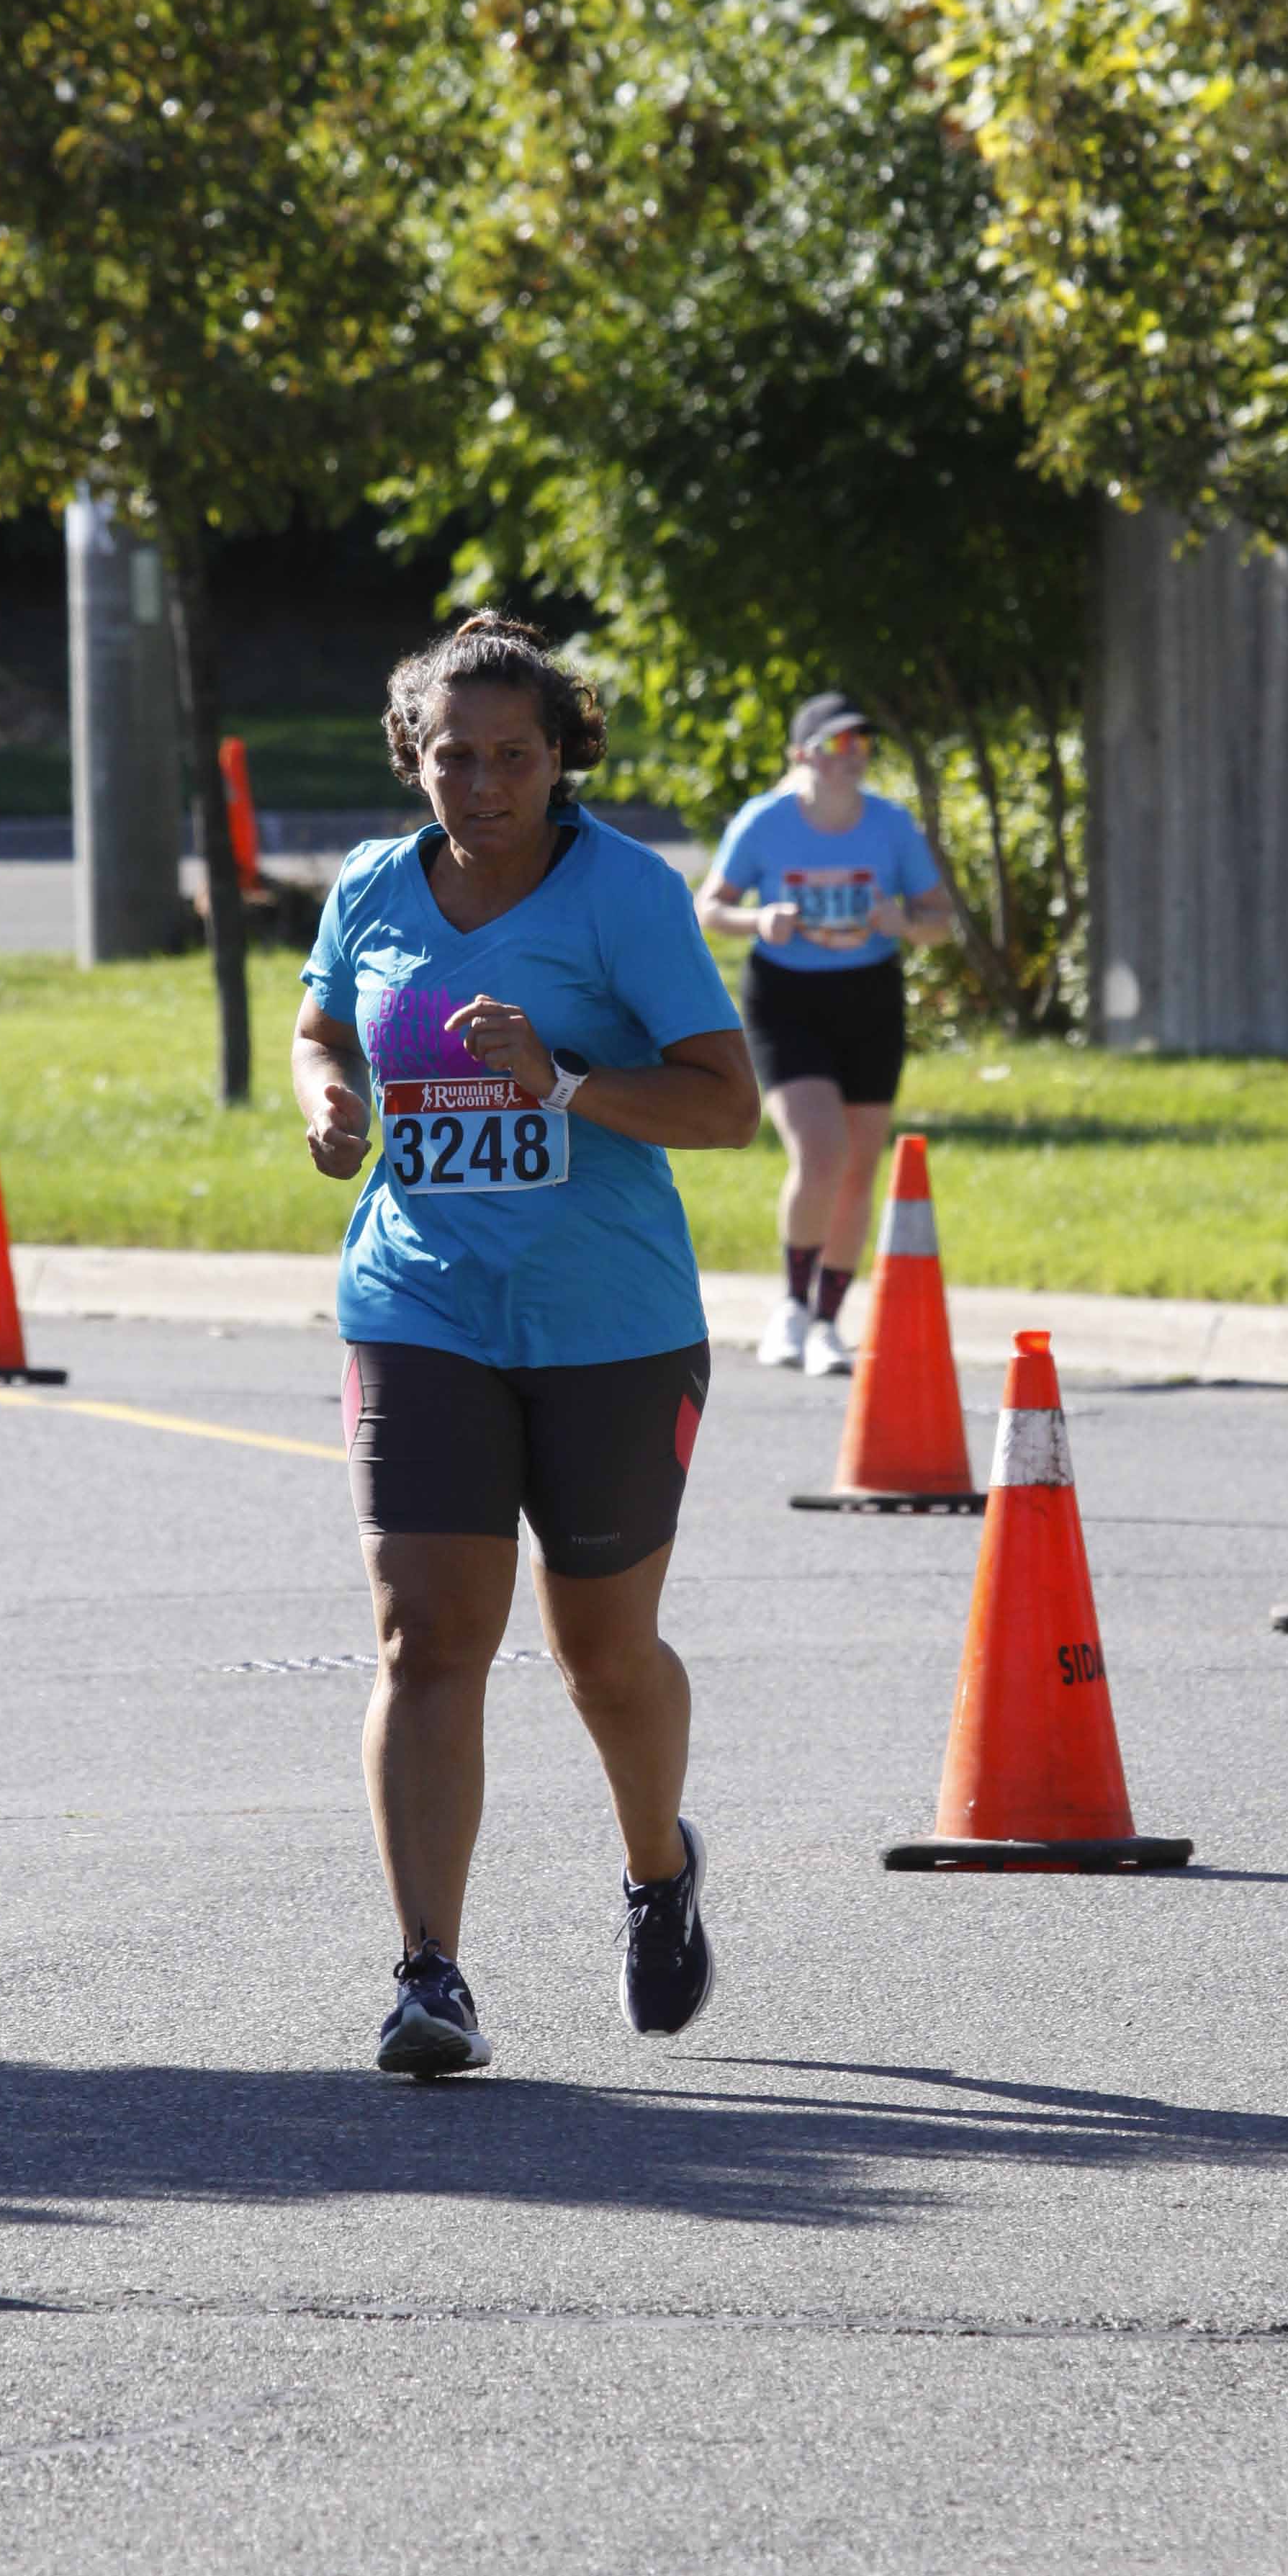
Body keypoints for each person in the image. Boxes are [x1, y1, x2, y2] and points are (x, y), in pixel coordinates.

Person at [292, 615, 760, 2077]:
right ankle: (426, 1975)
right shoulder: (373, 886)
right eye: (454, 757)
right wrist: (327, 1099)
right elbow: (321, 1027)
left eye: (512, 756)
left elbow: (724, 1106)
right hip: (418, 1303)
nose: (483, 784)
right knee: (426, 1637)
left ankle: (657, 1866)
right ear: (411, 758)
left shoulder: (626, 895)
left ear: (561, 758)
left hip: (607, 1319)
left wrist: (559, 1080)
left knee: (600, 1654)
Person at [695, 691, 955, 1375]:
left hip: (869, 998)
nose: (854, 756)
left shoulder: (891, 825)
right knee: (820, 1151)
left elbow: (939, 919)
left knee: (860, 1165)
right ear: (803, 755)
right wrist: (760, 920)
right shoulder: (767, 821)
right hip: (785, 996)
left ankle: (827, 1323)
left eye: (862, 743)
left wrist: (906, 924)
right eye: (839, 744)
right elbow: (709, 907)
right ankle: (790, 1305)